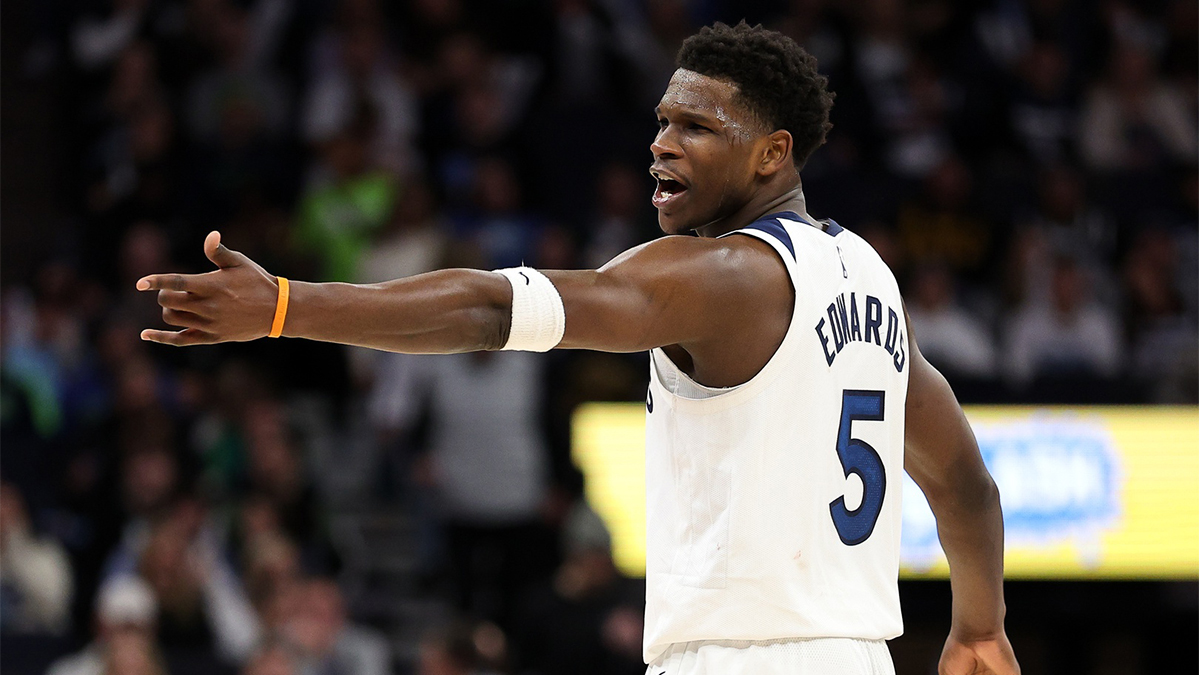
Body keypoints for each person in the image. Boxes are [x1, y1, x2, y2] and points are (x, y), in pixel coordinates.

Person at [137, 21, 1018, 675]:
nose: (661, 142)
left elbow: (492, 308)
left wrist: (287, 304)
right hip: (858, 656)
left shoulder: (723, 276)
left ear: (771, 154)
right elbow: (963, 481)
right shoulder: (865, 276)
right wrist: (979, 625)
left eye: (696, 127)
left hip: (738, 656)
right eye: (663, 120)